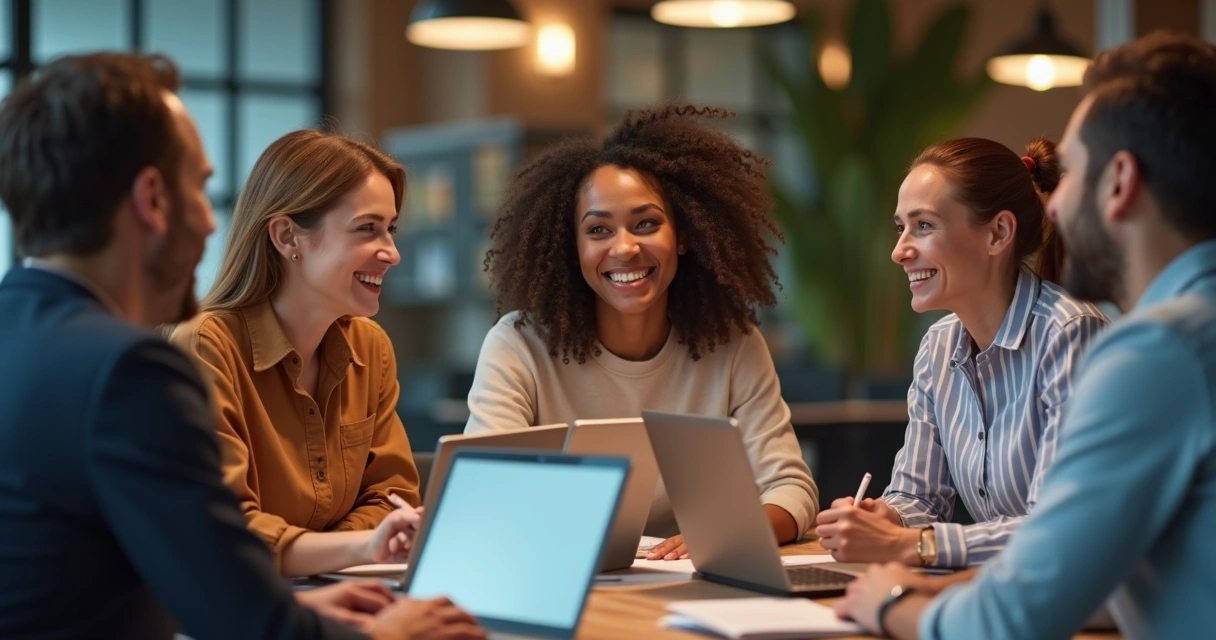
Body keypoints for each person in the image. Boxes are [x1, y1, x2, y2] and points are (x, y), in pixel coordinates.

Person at [0, 52, 484, 640]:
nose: (211, 222)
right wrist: (389, 633)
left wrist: (299, 608)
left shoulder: (21, 336)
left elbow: (171, 586)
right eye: (200, 187)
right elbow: (248, 623)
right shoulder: (128, 370)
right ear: (152, 199)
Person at [835, 32, 1216, 639]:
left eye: (1074, 177)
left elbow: (1018, 615)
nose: (1056, 207)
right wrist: (930, 570)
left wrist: (892, 602)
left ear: (1119, 183)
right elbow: (1106, 586)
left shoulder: (1157, 353)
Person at [465, 103, 819, 559]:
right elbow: (485, 489)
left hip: (686, 588)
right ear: (572, 248)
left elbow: (790, 487)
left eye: (646, 224)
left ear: (685, 234)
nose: (625, 247)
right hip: (553, 567)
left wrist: (727, 533)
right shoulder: (517, 346)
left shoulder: (733, 345)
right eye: (598, 230)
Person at [814, 137, 1108, 570]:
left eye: (925, 226)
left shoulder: (1070, 334)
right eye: (901, 227)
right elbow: (919, 496)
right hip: (1000, 594)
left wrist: (911, 546)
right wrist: (885, 517)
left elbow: (1056, 528)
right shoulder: (938, 346)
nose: (900, 251)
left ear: (998, 234)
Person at [170, 131, 422, 577]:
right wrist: (359, 546)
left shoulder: (371, 346)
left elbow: (393, 498)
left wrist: (334, 552)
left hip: (334, 592)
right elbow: (222, 531)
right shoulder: (207, 346)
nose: (392, 253)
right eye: (367, 228)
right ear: (288, 236)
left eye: (391, 228)